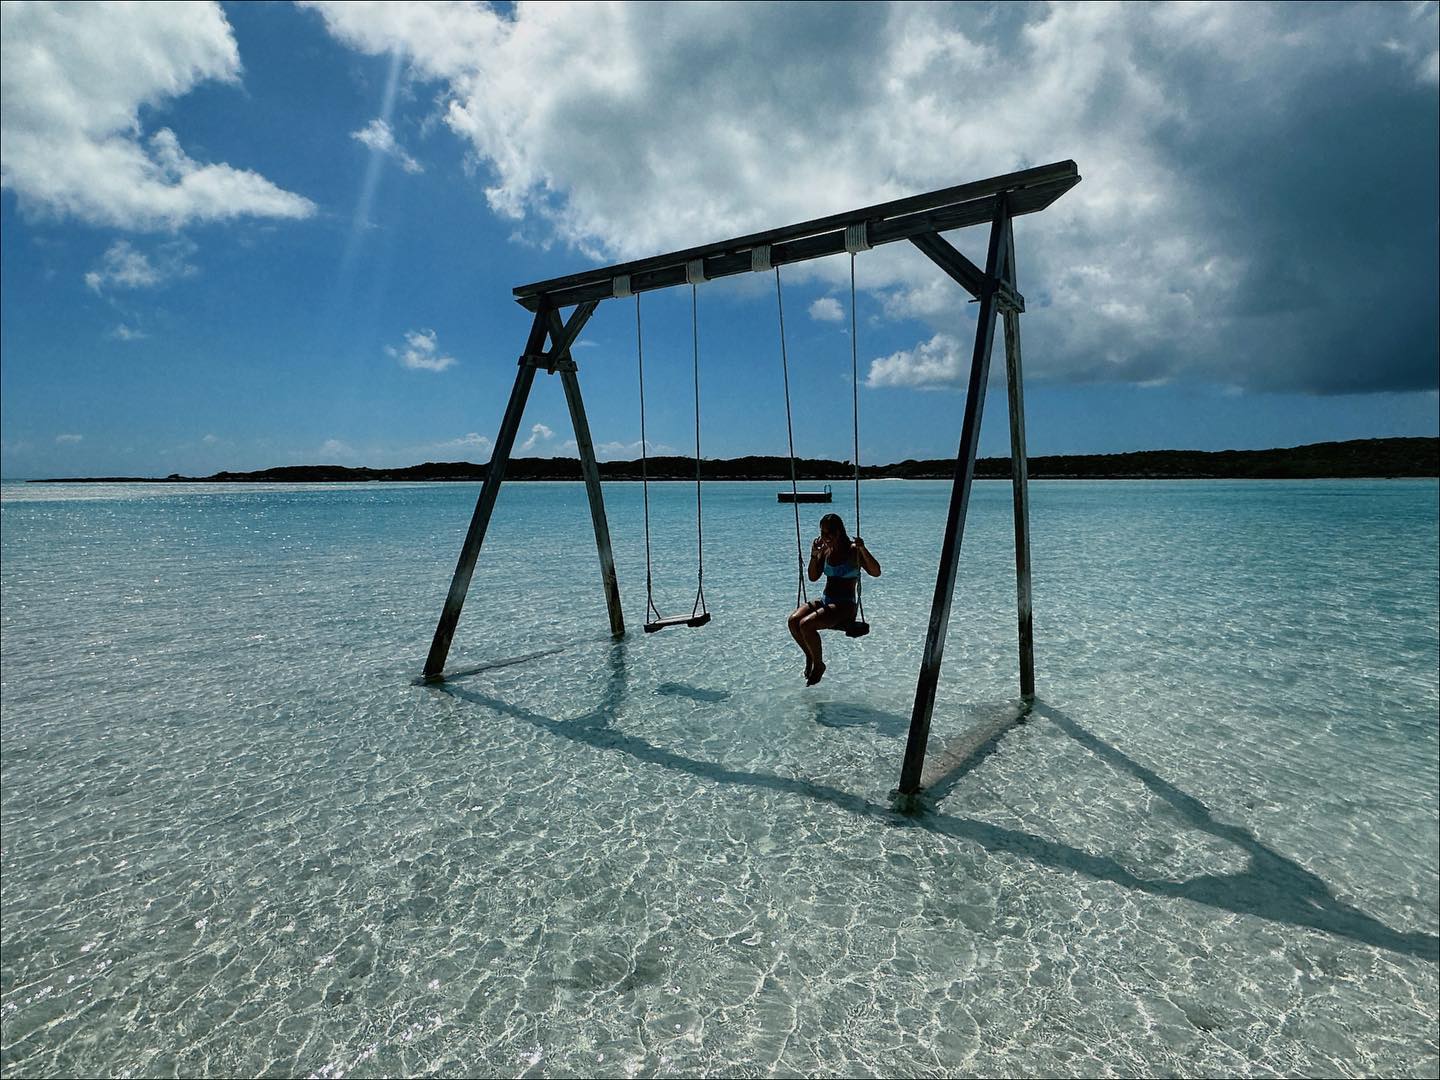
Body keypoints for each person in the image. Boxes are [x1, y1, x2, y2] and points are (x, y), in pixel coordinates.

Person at [787, 512, 881, 685]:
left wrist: (863, 549)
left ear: (839, 531)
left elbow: (876, 572)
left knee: (806, 625)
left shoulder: (853, 550)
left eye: (829, 532)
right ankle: (810, 656)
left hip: (845, 606)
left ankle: (819, 665)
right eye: (822, 533)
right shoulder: (825, 551)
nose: (825, 537)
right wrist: (814, 554)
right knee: (793, 621)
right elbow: (813, 577)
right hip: (826, 601)